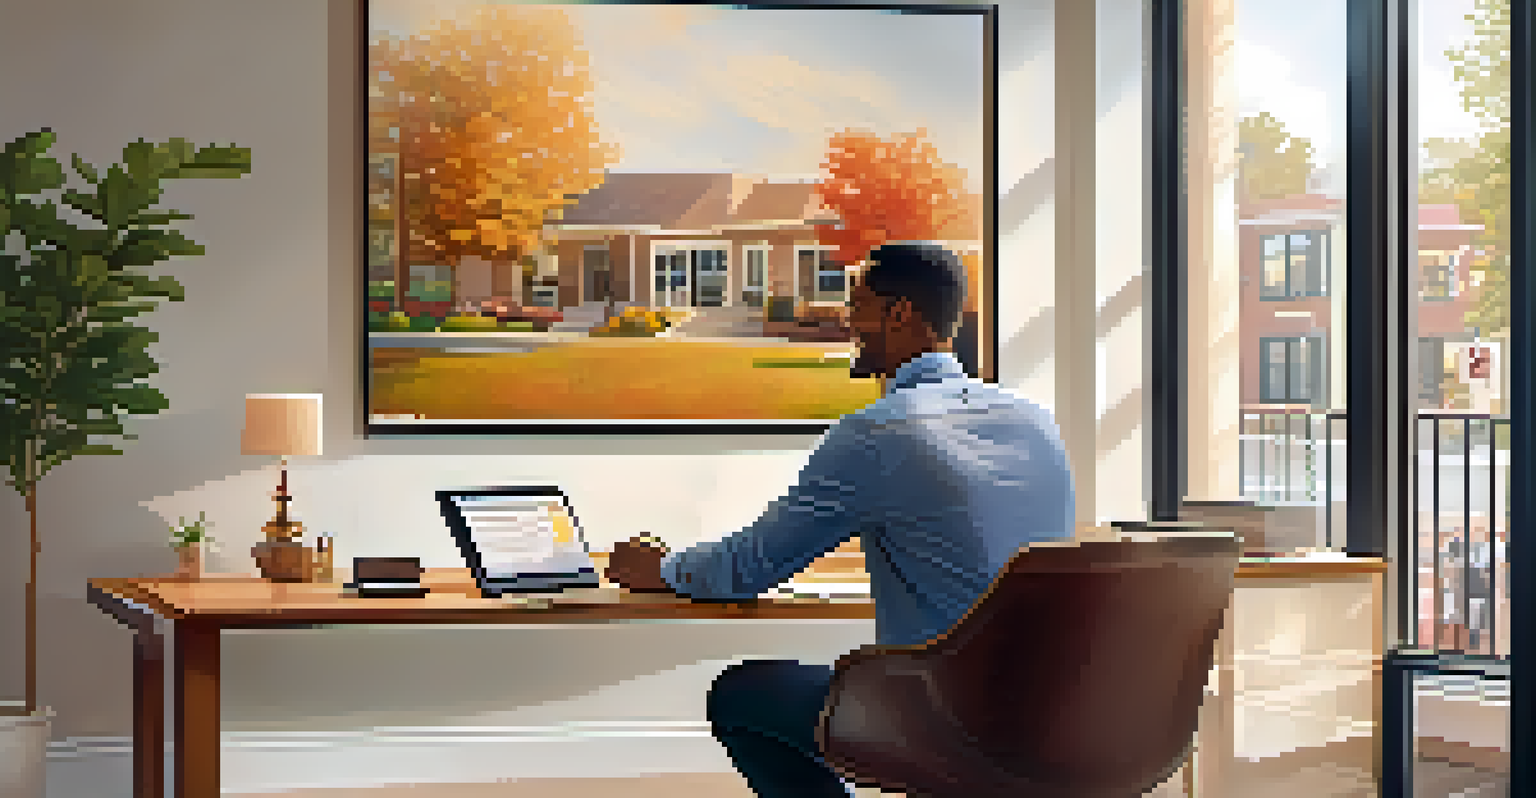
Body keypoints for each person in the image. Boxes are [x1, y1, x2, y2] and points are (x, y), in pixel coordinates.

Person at [605, 242, 1077, 798]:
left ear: (899, 313)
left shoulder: (879, 433)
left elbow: (747, 567)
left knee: (743, 696)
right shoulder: (1036, 421)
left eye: (857, 305)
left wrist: (662, 569)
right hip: (1052, 715)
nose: (848, 321)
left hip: (946, 716)